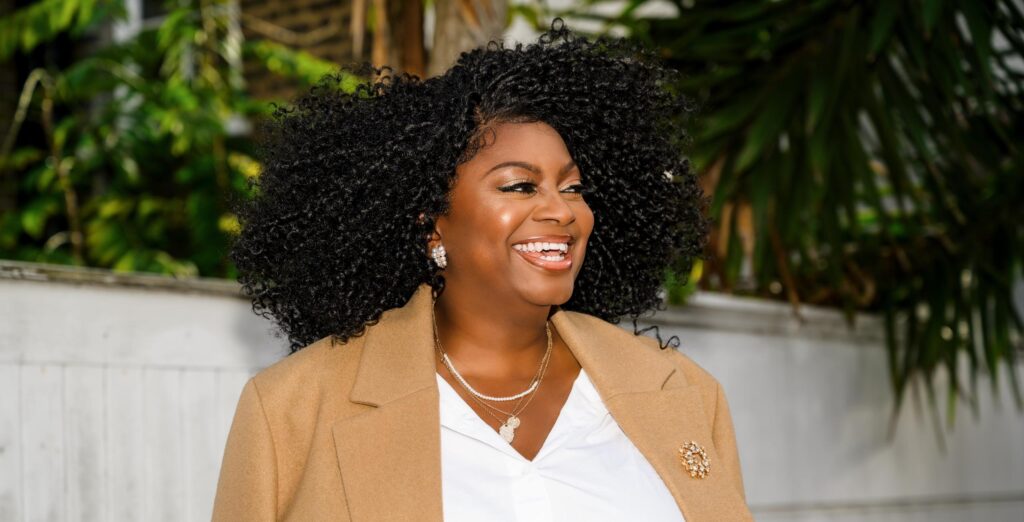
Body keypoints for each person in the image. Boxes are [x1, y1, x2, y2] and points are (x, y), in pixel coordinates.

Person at [212, 17, 752, 522]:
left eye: (573, 187)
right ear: (432, 224)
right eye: (520, 186)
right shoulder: (292, 408)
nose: (562, 210)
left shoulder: (682, 390)